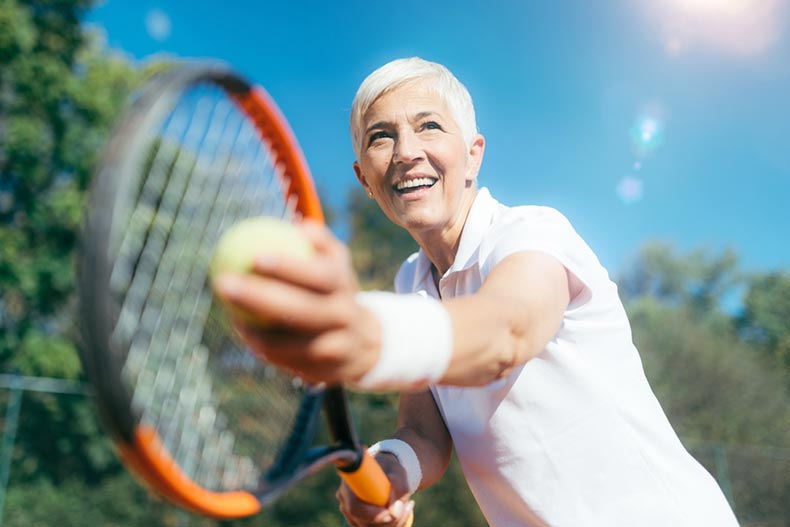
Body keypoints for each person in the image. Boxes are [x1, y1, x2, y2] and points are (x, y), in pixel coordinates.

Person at [214, 57, 740, 527]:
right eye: (381, 136)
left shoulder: (532, 232)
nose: (406, 152)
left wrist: (365, 332)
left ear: (472, 156)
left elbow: (505, 332)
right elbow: (425, 431)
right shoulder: (409, 284)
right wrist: (390, 471)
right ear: (365, 180)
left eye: (429, 127)